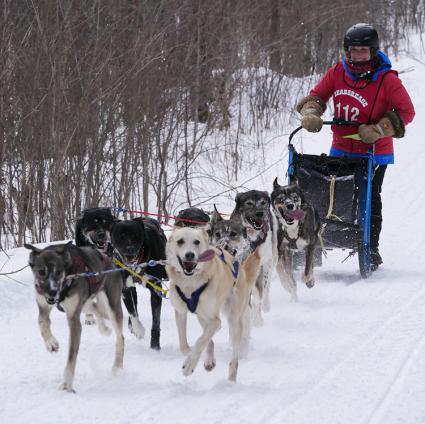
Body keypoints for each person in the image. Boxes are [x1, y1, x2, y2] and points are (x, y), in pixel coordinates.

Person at [296, 23, 415, 270]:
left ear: (373, 52)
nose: (358, 56)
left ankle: (370, 248)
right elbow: (317, 96)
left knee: (368, 198)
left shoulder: (387, 79)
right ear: (346, 51)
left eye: (364, 51)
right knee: (329, 195)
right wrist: (311, 112)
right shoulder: (338, 71)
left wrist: (380, 129)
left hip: (374, 151)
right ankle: (316, 244)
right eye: (354, 50)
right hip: (341, 147)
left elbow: (407, 112)